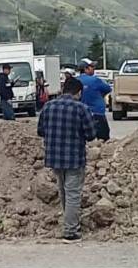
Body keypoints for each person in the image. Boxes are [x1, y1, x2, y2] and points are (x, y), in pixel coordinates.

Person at [37, 78, 96, 243]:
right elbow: (91, 134)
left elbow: (41, 131)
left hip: (55, 157)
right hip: (74, 158)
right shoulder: (81, 108)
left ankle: (70, 223)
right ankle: (70, 231)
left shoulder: (48, 107)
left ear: (63, 89)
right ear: (79, 92)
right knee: (73, 193)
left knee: (63, 191)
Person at [78, 58, 112, 141]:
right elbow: (107, 89)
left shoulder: (75, 80)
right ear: (86, 68)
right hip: (97, 113)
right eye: (92, 67)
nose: (94, 69)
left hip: (79, 114)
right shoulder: (95, 80)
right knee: (103, 138)